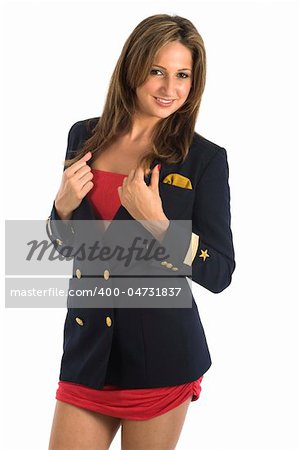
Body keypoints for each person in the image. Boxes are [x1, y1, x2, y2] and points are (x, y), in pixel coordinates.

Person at [47, 13, 236, 450]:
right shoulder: (83, 136)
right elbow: (67, 246)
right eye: (157, 71)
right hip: (87, 350)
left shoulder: (204, 159)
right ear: (133, 68)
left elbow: (220, 272)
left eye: (183, 75)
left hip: (161, 358)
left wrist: (160, 225)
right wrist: (61, 208)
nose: (170, 89)